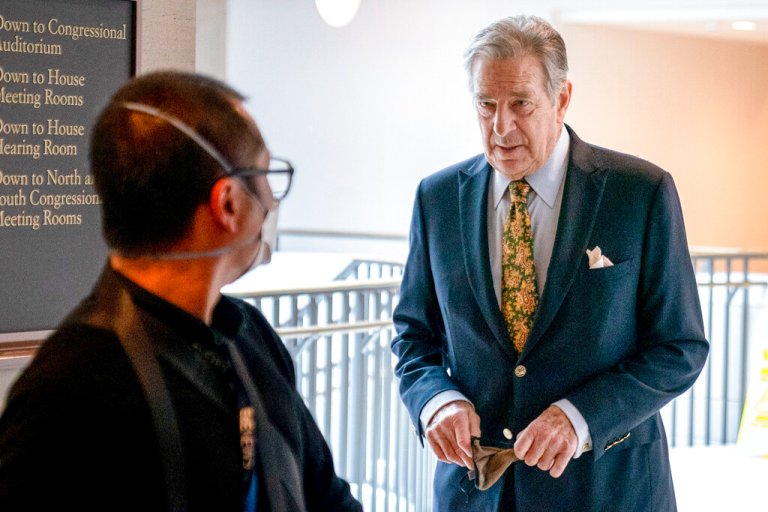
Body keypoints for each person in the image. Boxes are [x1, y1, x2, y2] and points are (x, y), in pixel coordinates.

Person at [0, 71, 362, 512]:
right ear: (227, 202)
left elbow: (325, 495)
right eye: (266, 174)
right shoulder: (66, 387)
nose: (272, 198)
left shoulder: (251, 337)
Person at [391, 15, 709, 511]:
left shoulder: (639, 193)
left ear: (562, 99)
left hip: (607, 491)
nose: (501, 127)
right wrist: (436, 401)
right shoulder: (435, 199)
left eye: (520, 104)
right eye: (486, 105)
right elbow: (414, 337)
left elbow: (679, 347)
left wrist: (579, 417)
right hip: (475, 495)